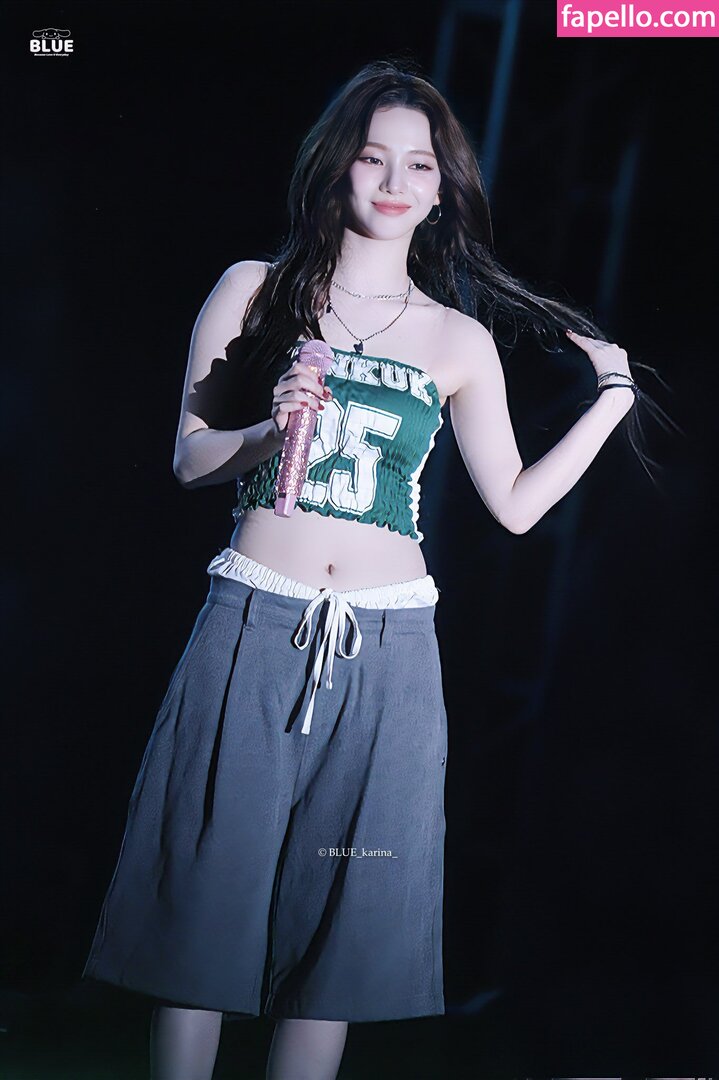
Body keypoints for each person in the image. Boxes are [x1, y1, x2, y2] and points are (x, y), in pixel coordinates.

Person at [82, 58, 666, 1080]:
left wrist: (610, 400)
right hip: (252, 622)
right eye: (372, 158)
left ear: (442, 189)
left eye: (419, 165)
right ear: (336, 168)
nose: (395, 181)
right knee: (205, 904)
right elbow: (188, 458)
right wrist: (270, 431)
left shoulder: (457, 339)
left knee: (338, 927)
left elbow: (515, 507)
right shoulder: (255, 289)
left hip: (388, 646)